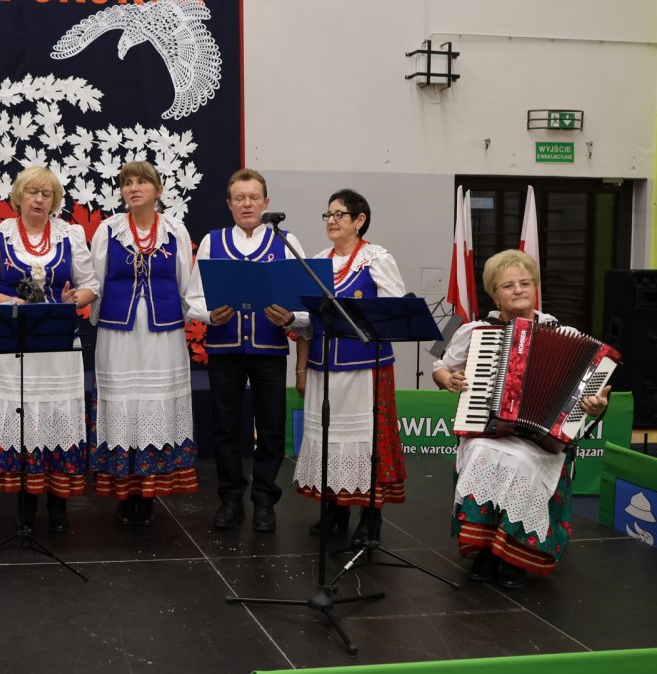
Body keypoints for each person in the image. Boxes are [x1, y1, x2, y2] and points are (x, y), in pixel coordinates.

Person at [433, 249, 609, 588]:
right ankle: (486, 550)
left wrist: (596, 404)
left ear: (535, 287)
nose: (518, 290)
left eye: (525, 283)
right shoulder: (477, 331)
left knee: (524, 463)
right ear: (495, 295)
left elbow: (593, 393)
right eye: (508, 285)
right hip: (487, 426)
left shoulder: (565, 333)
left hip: (541, 436)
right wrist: (448, 379)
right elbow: (441, 366)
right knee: (482, 452)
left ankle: (512, 556)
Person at [270, 189, 406, 546]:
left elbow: (392, 312)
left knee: (366, 441)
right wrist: (292, 319)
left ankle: (371, 516)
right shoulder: (317, 261)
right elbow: (309, 319)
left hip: (364, 366)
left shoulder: (377, 259)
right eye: (327, 215)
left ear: (360, 220)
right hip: (323, 366)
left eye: (339, 214)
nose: (331, 221)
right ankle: (334, 506)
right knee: (327, 437)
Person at [0, 166, 99, 532]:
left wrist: (74, 300)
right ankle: (25, 503)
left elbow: (91, 285)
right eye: (32, 192)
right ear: (19, 196)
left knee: (57, 418)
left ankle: (58, 504)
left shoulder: (70, 235)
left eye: (46, 194)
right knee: (23, 417)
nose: (39, 199)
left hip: (58, 345)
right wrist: (12, 302)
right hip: (14, 345)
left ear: (54, 201)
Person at [193, 169, 306, 533]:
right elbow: (193, 298)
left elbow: (305, 302)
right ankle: (229, 499)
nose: (247, 204)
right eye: (239, 198)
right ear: (229, 204)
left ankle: (264, 501)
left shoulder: (286, 241)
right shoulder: (212, 241)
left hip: (268, 349)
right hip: (224, 348)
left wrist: (291, 317)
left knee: (271, 427)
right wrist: (209, 315)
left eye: (254, 197)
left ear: (266, 202)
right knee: (225, 427)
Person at [89, 161, 200, 527]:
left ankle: (149, 492)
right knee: (123, 402)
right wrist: (92, 311)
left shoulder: (174, 230)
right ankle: (125, 493)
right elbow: (96, 282)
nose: (133, 188)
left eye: (142, 182)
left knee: (155, 402)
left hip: (162, 334)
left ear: (158, 190)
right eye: (127, 183)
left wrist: (198, 316)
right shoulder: (108, 230)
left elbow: (186, 285)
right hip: (118, 333)